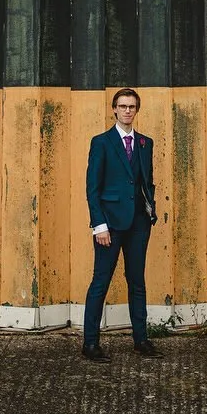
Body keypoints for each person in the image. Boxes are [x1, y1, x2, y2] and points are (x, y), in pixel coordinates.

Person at [81, 86, 160, 362]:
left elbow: (146, 181)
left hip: (138, 223)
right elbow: (93, 187)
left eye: (132, 107)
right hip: (110, 225)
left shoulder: (145, 143)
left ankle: (141, 340)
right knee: (100, 282)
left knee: (137, 282)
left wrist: (151, 211)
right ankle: (90, 343)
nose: (127, 111)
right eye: (123, 106)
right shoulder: (101, 142)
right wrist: (98, 224)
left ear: (137, 110)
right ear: (114, 109)